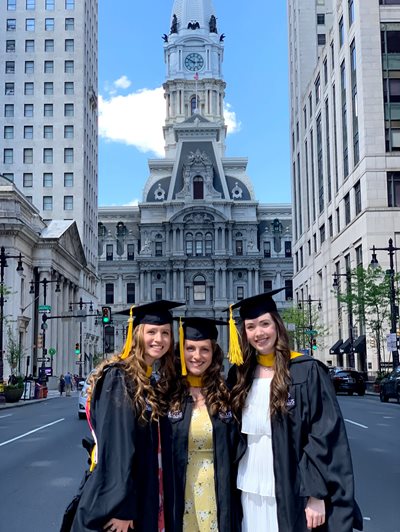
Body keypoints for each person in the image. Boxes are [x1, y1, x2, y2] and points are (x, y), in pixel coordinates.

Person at [227, 289, 363, 532]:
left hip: (292, 485)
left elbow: (323, 435)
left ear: (277, 325)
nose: (259, 333)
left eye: (265, 324)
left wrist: (316, 494)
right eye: (250, 327)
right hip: (249, 484)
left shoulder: (306, 371)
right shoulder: (239, 375)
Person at [62, 300, 183, 532]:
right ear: (137, 334)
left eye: (165, 333)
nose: (159, 339)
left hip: (143, 490)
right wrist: (122, 507)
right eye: (152, 332)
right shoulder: (119, 378)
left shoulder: (148, 380)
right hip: (120, 504)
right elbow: (117, 447)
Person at [163, 317, 244, 532]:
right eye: (190, 348)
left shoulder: (226, 395)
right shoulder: (166, 395)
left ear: (214, 354)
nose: (197, 356)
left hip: (219, 493)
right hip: (178, 492)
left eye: (204, 350)